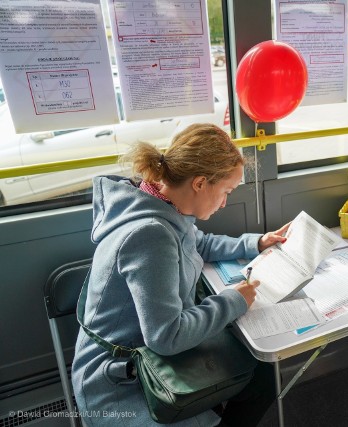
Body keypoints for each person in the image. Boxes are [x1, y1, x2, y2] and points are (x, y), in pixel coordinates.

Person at [72, 123, 288, 426]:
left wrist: (255, 242)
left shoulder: (160, 204)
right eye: (225, 191)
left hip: (145, 349)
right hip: (123, 379)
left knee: (261, 375)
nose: (225, 202)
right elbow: (167, 336)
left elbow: (199, 243)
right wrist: (232, 301)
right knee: (258, 380)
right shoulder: (150, 234)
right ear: (200, 183)